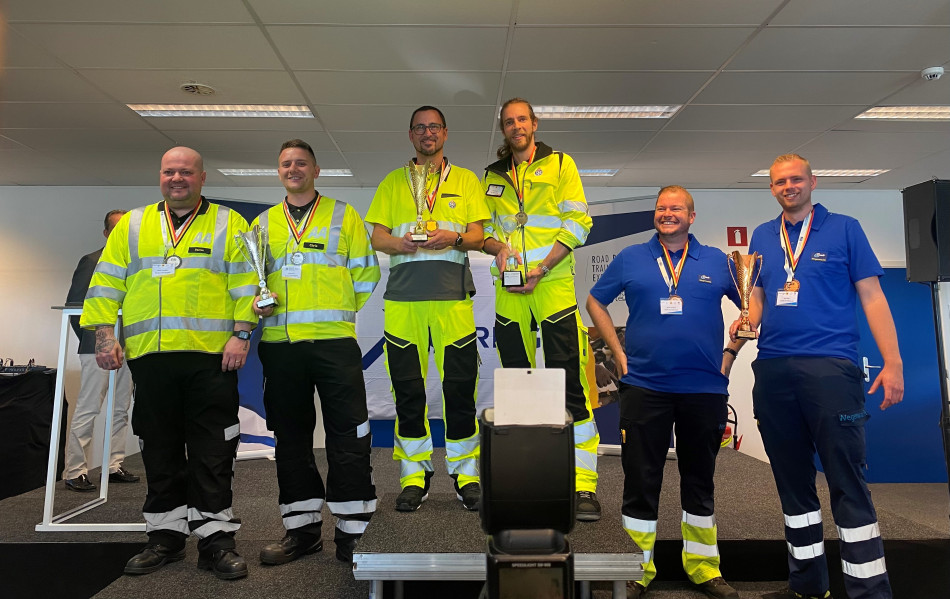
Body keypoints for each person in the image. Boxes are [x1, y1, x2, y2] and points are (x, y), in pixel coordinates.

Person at [727, 154, 903, 599]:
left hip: (831, 369)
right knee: (792, 485)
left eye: (796, 179)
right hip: (773, 368)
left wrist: (893, 362)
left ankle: (869, 592)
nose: (788, 186)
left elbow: (873, 297)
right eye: (779, 182)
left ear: (812, 182)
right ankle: (807, 586)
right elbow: (759, 297)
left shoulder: (845, 229)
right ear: (771, 188)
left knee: (847, 482)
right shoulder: (763, 235)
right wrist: (745, 322)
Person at [80, 147, 257, 580]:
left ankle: (216, 540)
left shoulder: (229, 223)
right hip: (151, 357)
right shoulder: (132, 225)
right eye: (169, 171)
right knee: (159, 447)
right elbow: (106, 282)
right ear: (160, 175)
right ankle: (165, 536)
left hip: (210, 358)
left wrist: (241, 334)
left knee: (213, 449)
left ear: (202, 177)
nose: (177, 178)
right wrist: (104, 336)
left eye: (186, 172)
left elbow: (247, 282)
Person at [586, 186, 742, 599]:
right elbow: (595, 302)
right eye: (661, 208)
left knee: (700, 479)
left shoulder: (718, 261)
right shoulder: (631, 257)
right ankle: (636, 570)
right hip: (645, 387)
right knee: (640, 480)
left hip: (704, 389)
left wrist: (730, 353)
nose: (667, 213)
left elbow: (752, 304)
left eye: (676, 208)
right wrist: (617, 352)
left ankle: (704, 568)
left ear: (692, 216)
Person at [252, 139, 380, 564]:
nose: (293, 169)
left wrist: (334, 310)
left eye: (301, 163)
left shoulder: (344, 215)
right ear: (279, 171)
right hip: (280, 345)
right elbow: (250, 280)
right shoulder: (263, 223)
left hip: (334, 342)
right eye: (286, 163)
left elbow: (366, 274)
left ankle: (353, 531)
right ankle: (301, 530)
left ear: (316, 170)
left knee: (350, 434)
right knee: (290, 439)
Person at [482, 98, 601, 521]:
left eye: (522, 119)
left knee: (570, 384)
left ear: (534, 124)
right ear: (503, 129)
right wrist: (498, 250)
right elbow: (485, 231)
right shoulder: (492, 175)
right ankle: (526, 477)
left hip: (551, 284)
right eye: (508, 121)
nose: (516, 126)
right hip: (509, 288)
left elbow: (578, 222)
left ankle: (584, 484)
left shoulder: (561, 164)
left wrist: (543, 267)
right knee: (516, 385)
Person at [366, 106, 488, 512]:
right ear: (411, 135)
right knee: (408, 392)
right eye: (420, 127)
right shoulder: (392, 181)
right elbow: (377, 237)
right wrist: (400, 243)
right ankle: (414, 475)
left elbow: (478, 235)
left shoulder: (466, 180)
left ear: (445, 133)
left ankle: (466, 473)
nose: (427, 133)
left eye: (434, 126)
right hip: (404, 302)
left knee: (460, 390)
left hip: (453, 300)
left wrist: (454, 238)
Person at [64, 209, 139, 492]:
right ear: (106, 233)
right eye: (116, 229)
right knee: (89, 407)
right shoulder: (92, 260)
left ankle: (113, 465)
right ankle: (75, 470)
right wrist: (95, 342)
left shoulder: (136, 261)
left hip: (128, 346)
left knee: (120, 408)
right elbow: (75, 309)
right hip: (97, 347)